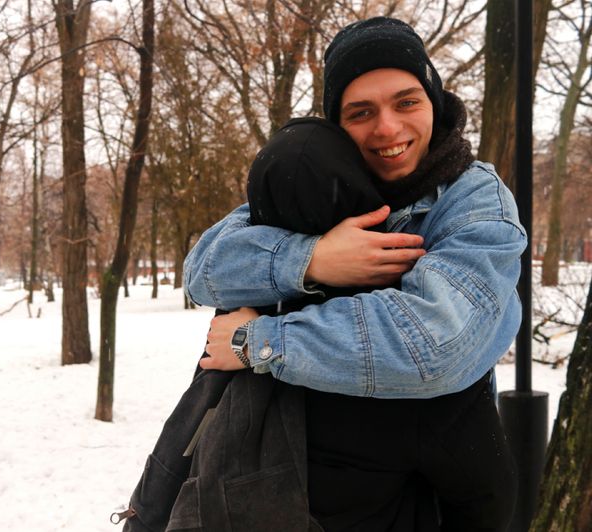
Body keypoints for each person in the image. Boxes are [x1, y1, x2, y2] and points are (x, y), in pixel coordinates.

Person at [184, 16, 526, 531]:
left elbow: (437, 344)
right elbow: (204, 269)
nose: (386, 128)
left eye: (406, 102)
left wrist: (260, 341)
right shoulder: (317, 179)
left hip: (437, 482)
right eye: (361, 112)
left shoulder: (475, 199)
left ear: (434, 102)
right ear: (337, 126)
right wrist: (313, 259)